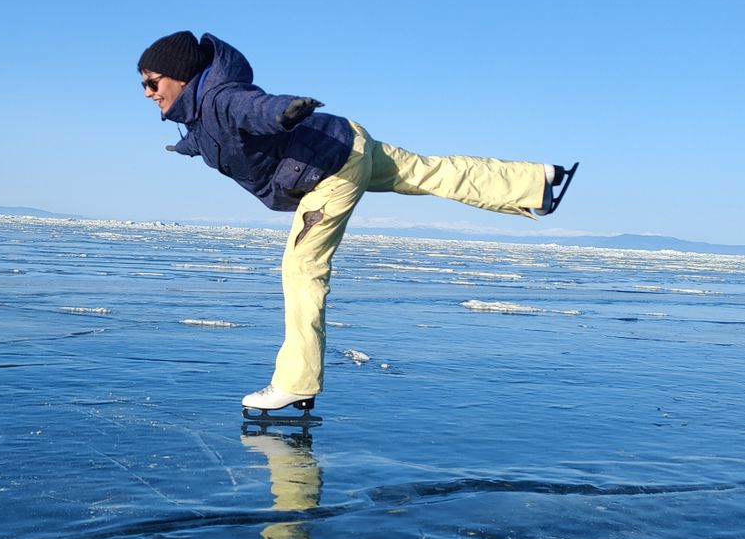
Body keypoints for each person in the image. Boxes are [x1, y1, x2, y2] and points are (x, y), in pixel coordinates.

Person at [137, 30, 576, 415]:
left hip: (327, 172)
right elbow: (210, 139)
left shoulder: (221, 98)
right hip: (347, 143)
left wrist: (285, 111)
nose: (148, 92)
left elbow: (255, 109)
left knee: (301, 269)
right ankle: (537, 180)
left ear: (181, 75)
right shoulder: (199, 117)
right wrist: (183, 149)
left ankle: (294, 383)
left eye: (152, 82)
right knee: (431, 171)